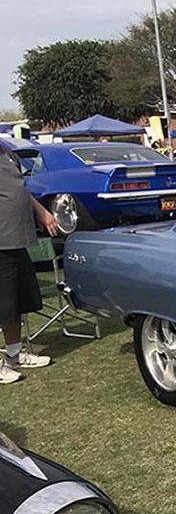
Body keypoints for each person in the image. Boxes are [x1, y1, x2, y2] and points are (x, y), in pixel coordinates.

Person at [0, 147, 59, 384]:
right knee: (2, 305)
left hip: (17, 239)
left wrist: (42, 212)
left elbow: (22, 190)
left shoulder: (7, 152)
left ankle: (14, 355)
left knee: (14, 304)